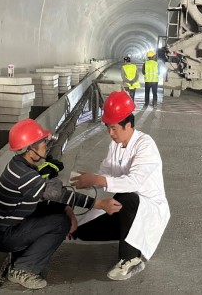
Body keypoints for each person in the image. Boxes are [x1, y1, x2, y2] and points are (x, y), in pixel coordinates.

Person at [0, 118, 122, 290]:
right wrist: (99, 203)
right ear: (31, 150)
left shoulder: (20, 165)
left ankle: (25, 258)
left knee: (58, 212)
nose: (46, 146)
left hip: (10, 226)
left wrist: (67, 210)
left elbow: (50, 197)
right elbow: (59, 194)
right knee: (61, 223)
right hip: (5, 236)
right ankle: (22, 269)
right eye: (43, 143)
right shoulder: (24, 176)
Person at [71, 91, 170, 281]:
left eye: (114, 128)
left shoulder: (145, 145)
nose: (111, 133)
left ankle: (131, 258)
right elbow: (106, 173)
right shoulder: (115, 145)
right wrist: (90, 179)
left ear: (129, 125)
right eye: (108, 128)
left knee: (127, 197)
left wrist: (98, 180)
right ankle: (129, 234)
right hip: (127, 209)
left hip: (147, 206)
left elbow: (134, 182)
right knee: (83, 232)